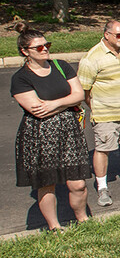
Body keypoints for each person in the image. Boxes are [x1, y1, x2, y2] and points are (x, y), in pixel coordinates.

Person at [10, 25, 91, 230]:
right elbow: (37, 110)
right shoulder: (20, 78)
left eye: (47, 45)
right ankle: (55, 227)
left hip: (69, 130)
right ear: (25, 51)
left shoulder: (61, 66)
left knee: (78, 183)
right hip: (39, 133)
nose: (45, 49)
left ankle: (83, 220)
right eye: (38, 47)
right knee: (47, 183)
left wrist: (54, 104)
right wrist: (66, 102)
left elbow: (79, 95)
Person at [77, 20, 120, 207]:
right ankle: (102, 187)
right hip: (105, 114)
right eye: (118, 35)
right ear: (106, 35)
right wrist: (97, 107)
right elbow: (84, 90)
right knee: (103, 149)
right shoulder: (92, 58)